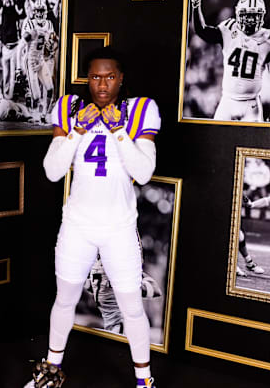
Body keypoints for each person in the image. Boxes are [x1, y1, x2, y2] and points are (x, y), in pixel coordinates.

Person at [30, 46, 161, 388]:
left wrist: (118, 130)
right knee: (65, 300)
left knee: (131, 306)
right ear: (87, 79)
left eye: (110, 77)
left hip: (119, 227)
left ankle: (144, 380)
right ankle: (51, 373)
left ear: (121, 78)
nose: (102, 84)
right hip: (78, 225)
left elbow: (144, 172)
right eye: (95, 77)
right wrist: (76, 130)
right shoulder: (70, 108)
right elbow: (52, 171)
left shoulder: (140, 109)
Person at [190, 0, 270, 122]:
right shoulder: (229, 28)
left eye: (254, 16)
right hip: (227, 102)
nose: (250, 20)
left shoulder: (269, 38)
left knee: (250, 136)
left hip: (251, 105)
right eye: (246, 15)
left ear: (261, 16)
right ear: (238, 14)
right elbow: (202, 31)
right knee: (217, 134)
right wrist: (196, 5)